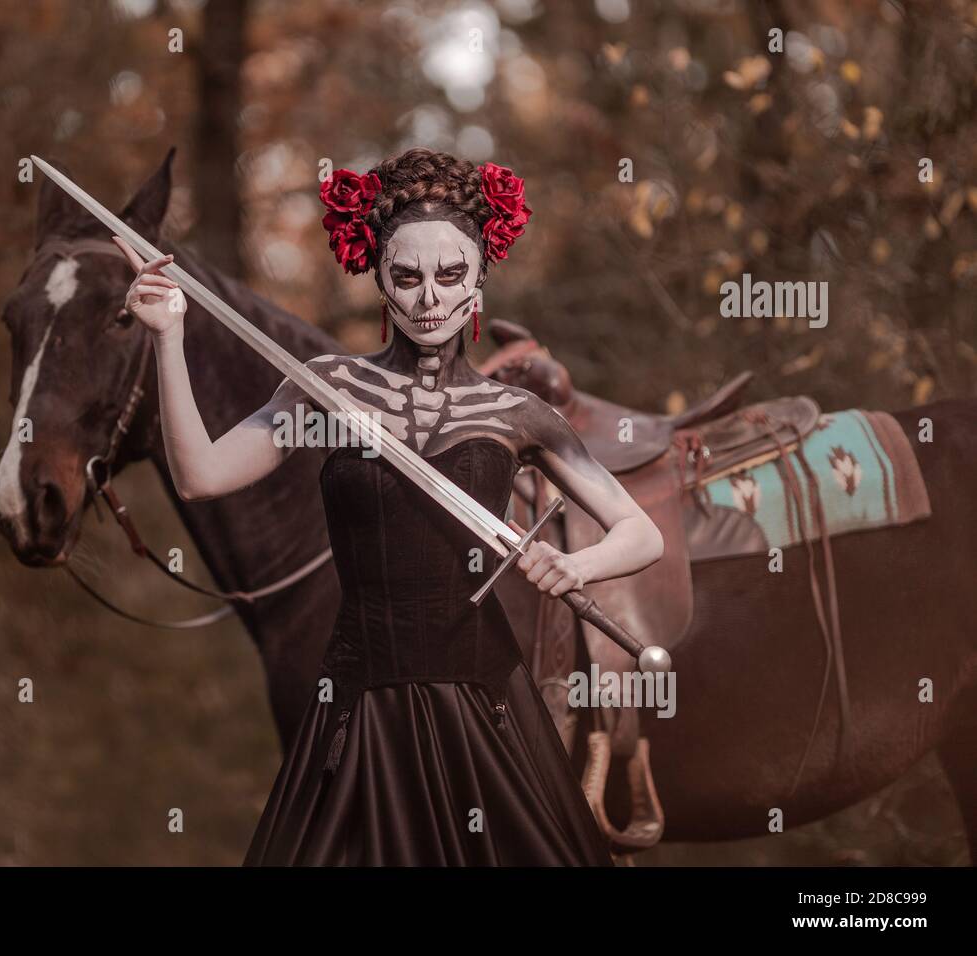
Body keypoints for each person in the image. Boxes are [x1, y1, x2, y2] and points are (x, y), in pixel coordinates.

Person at [114, 147, 663, 866]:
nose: (429, 297)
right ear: (379, 280)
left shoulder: (517, 413)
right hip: (356, 704)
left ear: (479, 285)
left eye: (450, 275)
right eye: (407, 276)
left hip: (487, 707)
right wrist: (169, 338)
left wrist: (575, 562)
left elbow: (639, 531)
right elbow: (199, 476)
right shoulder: (327, 387)